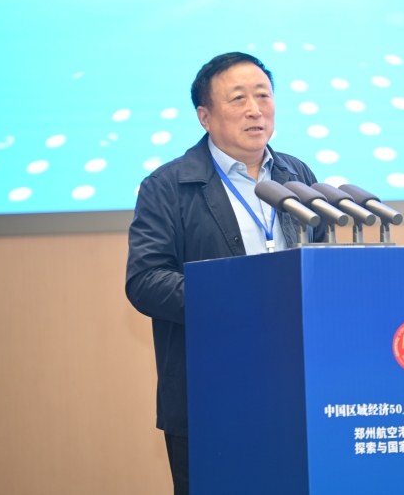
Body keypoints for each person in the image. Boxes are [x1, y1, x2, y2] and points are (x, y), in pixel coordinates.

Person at [125, 52, 326, 495]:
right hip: (210, 394)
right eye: (238, 99)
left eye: (263, 96)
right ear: (205, 116)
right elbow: (145, 281)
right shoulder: (167, 186)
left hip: (296, 388)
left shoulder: (297, 175)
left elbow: (320, 262)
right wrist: (236, 299)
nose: (255, 109)